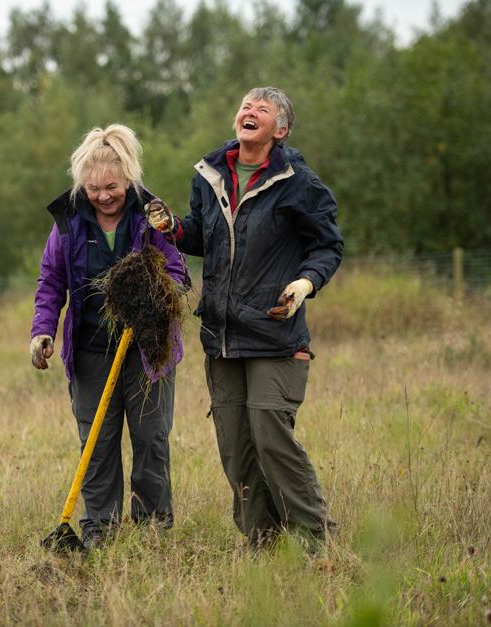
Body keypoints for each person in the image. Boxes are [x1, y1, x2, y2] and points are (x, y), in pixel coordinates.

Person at [146, 86, 343, 550]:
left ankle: (319, 543)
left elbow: (328, 246)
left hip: (276, 334)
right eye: (245, 105)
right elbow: (205, 237)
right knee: (235, 449)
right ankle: (262, 544)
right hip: (222, 336)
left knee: (272, 437)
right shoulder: (210, 175)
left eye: (263, 108)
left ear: (282, 128)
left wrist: (305, 283)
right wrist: (174, 229)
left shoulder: (299, 183)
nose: (249, 111)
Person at [30, 124, 186, 550]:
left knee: (151, 438)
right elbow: (50, 283)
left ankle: (153, 530)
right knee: (96, 443)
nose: (103, 195)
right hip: (90, 350)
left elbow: (178, 273)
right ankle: (100, 531)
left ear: (129, 178)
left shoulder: (152, 217)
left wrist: (153, 295)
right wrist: (42, 331)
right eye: (94, 187)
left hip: (147, 349)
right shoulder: (69, 224)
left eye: (112, 186)